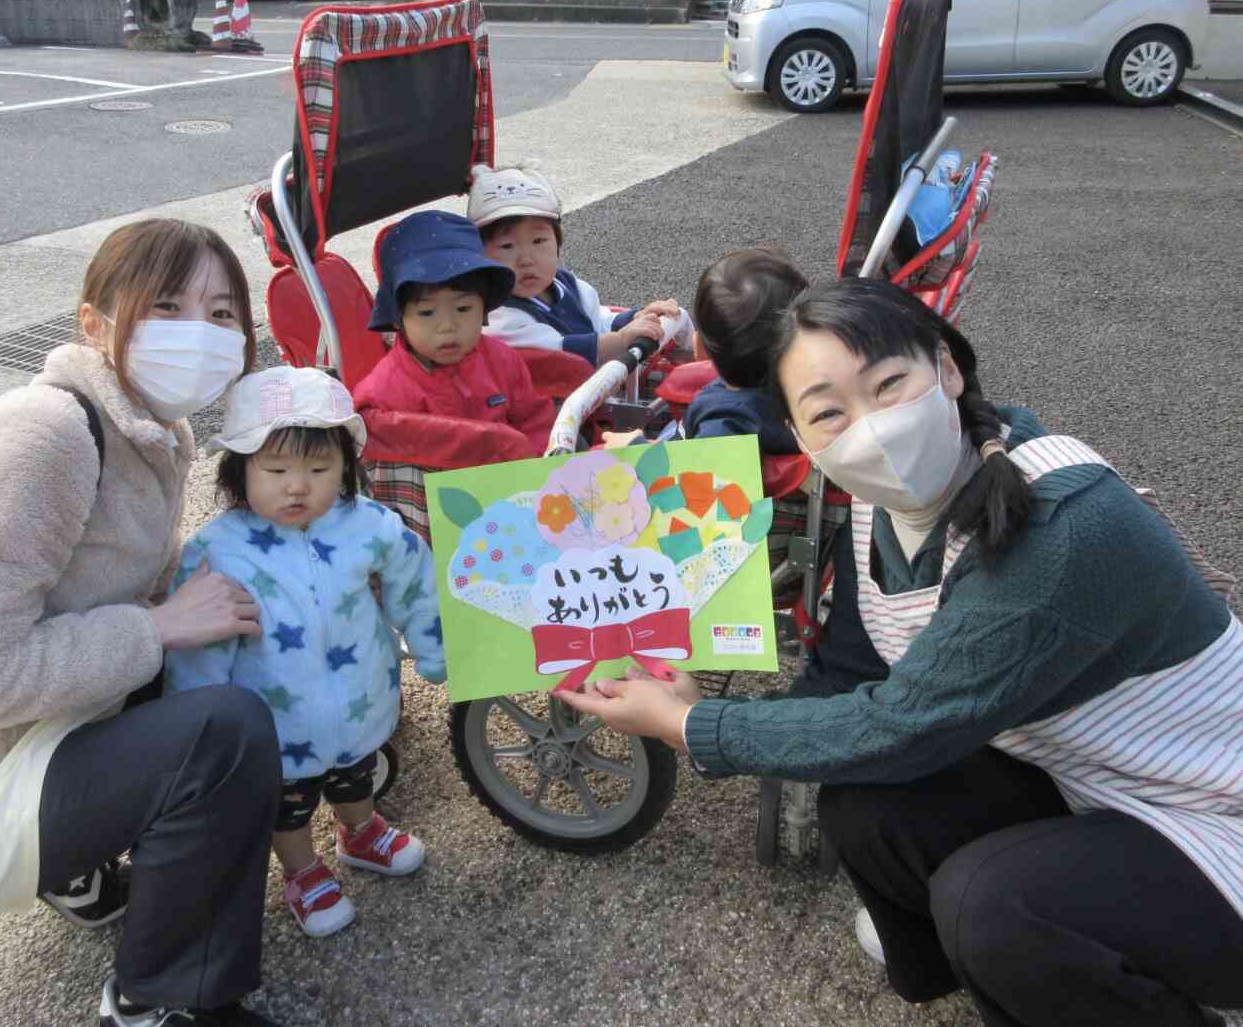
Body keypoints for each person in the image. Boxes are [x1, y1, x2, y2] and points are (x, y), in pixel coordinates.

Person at [555, 277, 1243, 1027]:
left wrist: (691, 724)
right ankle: (989, 975)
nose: (872, 429)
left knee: (989, 901)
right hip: (1102, 778)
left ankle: (1030, 960)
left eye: (887, 383)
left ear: (945, 367)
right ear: (801, 436)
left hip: (1217, 810)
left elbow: (901, 722)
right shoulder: (875, 509)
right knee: (867, 806)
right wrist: (676, 682)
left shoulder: (1062, 529)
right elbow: (847, 672)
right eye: (828, 412)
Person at [0, 218, 291, 1027]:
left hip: (20, 739)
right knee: (222, 731)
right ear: (94, 323)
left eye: (222, 314)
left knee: (211, 658)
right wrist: (160, 627)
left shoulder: (152, 427)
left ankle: (74, 868)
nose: (201, 333)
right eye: (166, 306)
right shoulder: (47, 437)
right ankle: (161, 1000)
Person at [163, 366, 447, 939]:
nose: (298, 485)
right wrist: (199, 721)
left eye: (319, 469)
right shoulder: (217, 551)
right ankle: (300, 869)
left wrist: (434, 647)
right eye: (276, 469)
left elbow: (416, 583)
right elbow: (200, 643)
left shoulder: (369, 526)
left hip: (361, 697)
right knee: (287, 802)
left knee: (356, 771)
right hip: (275, 721)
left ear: (346, 469)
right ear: (239, 471)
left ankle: (359, 832)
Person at [354, 209, 557, 461]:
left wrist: (538, 460)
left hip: (513, 481)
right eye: (427, 313)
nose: (448, 326)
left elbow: (535, 419)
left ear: (484, 310)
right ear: (399, 319)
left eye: (463, 309)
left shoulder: (502, 360)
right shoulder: (385, 390)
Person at [468, 161, 690, 367]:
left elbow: (596, 320)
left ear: (557, 244)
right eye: (507, 246)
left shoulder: (566, 284)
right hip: (556, 402)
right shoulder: (500, 318)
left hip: (596, 386)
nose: (527, 259)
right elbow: (561, 354)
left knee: (677, 315)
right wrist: (622, 340)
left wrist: (636, 318)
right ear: (480, 255)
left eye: (538, 241)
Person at [681, 247, 805, 453]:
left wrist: (634, 446)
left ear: (702, 347)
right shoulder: (814, 395)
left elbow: (707, 482)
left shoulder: (725, 424)